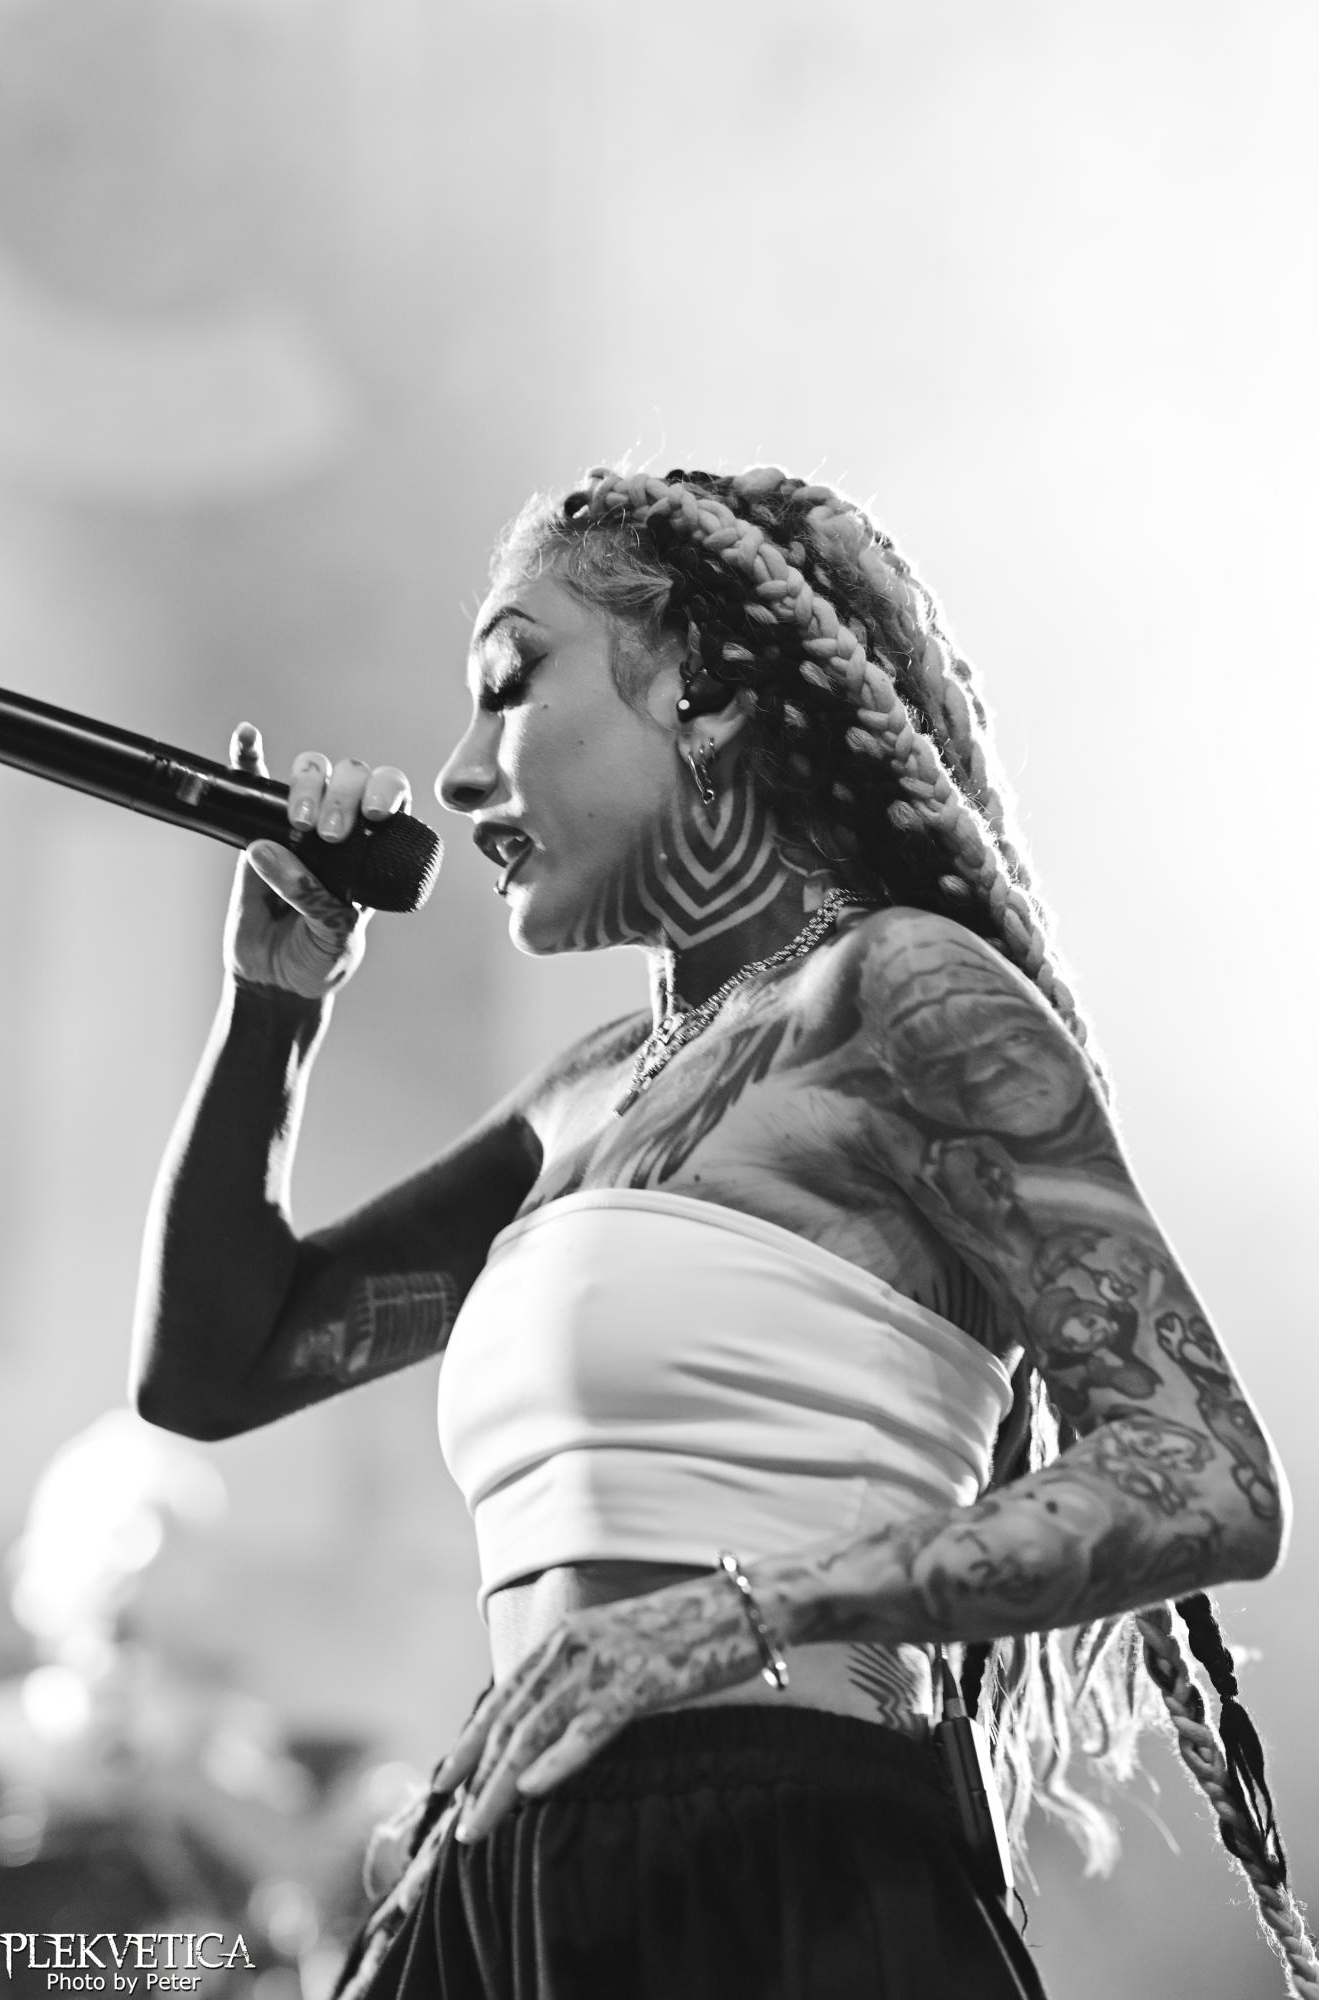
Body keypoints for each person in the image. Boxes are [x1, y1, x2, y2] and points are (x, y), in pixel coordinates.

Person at [131, 467, 1310, 1999]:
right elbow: (215, 1370)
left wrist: (732, 1614)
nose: (463, 778)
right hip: (506, 1876)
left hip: (773, 1856)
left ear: (706, 688)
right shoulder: (584, 1096)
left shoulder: (905, 999)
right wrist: (272, 1010)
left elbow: (1204, 1477)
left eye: (510, 687)